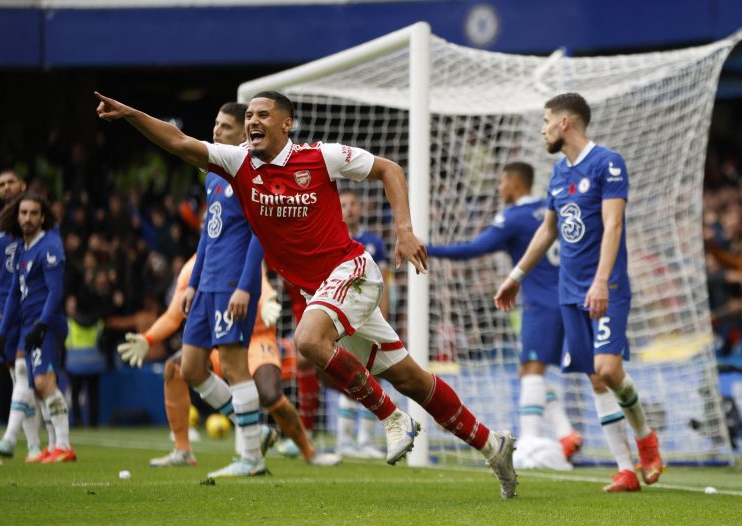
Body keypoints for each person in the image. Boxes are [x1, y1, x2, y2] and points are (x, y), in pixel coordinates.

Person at [95, 90, 517, 498]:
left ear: (286, 123)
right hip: (326, 292)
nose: (252, 122)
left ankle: (391, 418)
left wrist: (404, 229)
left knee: (308, 340)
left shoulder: (319, 157)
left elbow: (390, 168)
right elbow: (178, 141)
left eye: (262, 115)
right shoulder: (237, 161)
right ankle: (492, 445)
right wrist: (132, 114)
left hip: (352, 272)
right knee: (412, 379)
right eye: (249, 117)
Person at [117, 102, 338, 476]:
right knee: (190, 369)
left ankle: (251, 458)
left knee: (236, 369)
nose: (216, 131)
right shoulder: (213, 175)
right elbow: (209, 232)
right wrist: (195, 282)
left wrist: (245, 286)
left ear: (241, 133)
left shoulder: (252, 173)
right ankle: (254, 430)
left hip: (234, 283)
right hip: (207, 286)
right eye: (215, 124)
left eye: (225, 126)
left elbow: (259, 235)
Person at [494, 93, 663, 492]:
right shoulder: (557, 172)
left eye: (546, 119)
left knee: (608, 369)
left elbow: (614, 225)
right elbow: (548, 230)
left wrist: (602, 281)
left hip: (607, 286)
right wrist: (516, 275)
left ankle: (646, 440)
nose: (542, 128)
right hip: (569, 292)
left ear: (566, 122)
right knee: (595, 378)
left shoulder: (608, 163)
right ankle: (625, 470)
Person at [427, 162, 582, 464]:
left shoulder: (514, 217)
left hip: (541, 305)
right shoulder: (549, 210)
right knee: (527, 372)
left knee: (533, 370)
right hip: (566, 299)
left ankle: (530, 439)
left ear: (514, 183)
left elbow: (474, 249)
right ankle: (566, 434)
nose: (499, 189)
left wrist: (427, 249)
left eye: (501, 182)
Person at [0, 193, 75, 463]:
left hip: (47, 324)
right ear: (17, 216)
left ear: (43, 217)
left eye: (33, 213)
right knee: (38, 389)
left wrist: (42, 324)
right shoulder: (21, 248)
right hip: (29, 325)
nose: (27, 218)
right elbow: (15, 297)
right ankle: (53, 445)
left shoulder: (50, 246)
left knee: (44, 383)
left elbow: (56, 292)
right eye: (23, 213)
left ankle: (63, 445)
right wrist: (3, 332)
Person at [0, 170, 42, 460]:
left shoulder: (40, 221)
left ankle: (10, 439)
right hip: (6, 305)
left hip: (34, 303)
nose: (5, 188)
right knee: (20, 378)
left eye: (10, 182)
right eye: (1, 184)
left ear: (23, 185)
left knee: (25, 373)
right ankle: (34, 447)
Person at [335, 189, 388, 459]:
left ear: (361, 207)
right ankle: (344, 440)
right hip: (341, 317)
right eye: (344, 204)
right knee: (349, 374)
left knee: (374, 374)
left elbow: (384, 283)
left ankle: (366, 440)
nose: (350, 208)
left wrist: (385, 315)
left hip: (370, 316)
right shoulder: (334, 239)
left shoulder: (374, 242)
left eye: (354, 203)